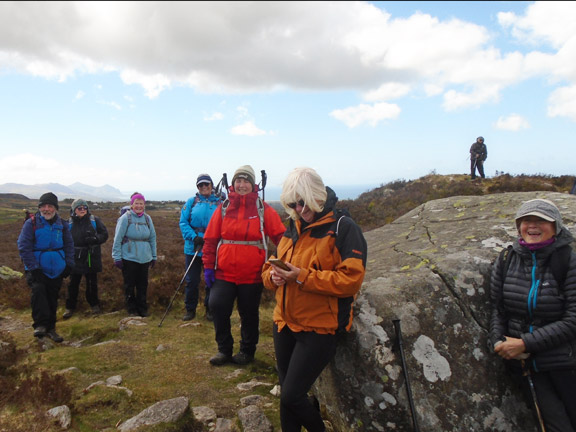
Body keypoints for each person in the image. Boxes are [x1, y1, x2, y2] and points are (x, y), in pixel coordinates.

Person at [261, 167, 367, 432]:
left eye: (303, 201)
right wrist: (271, 277)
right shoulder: (293, 227)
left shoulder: (344, 228)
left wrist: (302, 277)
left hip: (319, 327)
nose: (299, 208)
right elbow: (269, 268)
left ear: (317, 195)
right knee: (288, 395)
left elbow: (350, 280)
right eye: (293, 203)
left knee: (292, 396)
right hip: (284, 323)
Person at [490, 198, 576, 432]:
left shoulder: (568, 261)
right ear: (519, 226)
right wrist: (498, 341)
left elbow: (573, 320)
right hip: (528, 365)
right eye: (527, 220)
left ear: (555, 226)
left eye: (541, 220)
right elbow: (499, 308)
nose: (533, 226)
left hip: (565, 363)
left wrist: (525, 343)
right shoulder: (507, 259)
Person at [202, 165, 286, 366]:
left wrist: (280, 263)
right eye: (238, 181)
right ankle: (224, 350)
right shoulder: (223, 209)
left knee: (248, 313)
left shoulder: (263, 209)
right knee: (217, 306)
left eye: (245, 181)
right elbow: (211, 240)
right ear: (233, 184)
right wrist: (208, 267)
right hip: (224, 272)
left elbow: (282, 238)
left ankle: (247, 351)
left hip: (252, 274)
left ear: (253, 184)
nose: (241, 185)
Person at [17, 192, 74, 342]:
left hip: (57, 269)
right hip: (37, 268)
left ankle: (51, 328)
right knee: (38, 291)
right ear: (39, 208)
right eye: (43, 206)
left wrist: (69, 264)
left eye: (50, 206)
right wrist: (33, 267)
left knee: (52, 297)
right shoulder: (32, 223)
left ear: (55, 208)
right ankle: (40, 325)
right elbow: (23, 246)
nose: (46, 209)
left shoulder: (62, 224)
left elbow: (69, 245)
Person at [179, 174, 223, 321]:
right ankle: (190, 310)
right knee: (192, 280)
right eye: (201, 185)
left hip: (213, 248)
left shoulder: (220, 203)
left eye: (207, 184)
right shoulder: (191, 202)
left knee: (211, 281)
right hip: (193, 248)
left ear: (212, 186)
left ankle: (210, 309)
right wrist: (194, 237)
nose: (204, 187)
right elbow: (183, 223)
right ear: (197, 187)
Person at [112, 192, 157, 317]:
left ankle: (142, 309)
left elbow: (152, 238)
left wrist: (154, 256)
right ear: (132, 205)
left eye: (141, 203)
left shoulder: (148, 219)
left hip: (145, 258)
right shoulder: (125, 218)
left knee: (143, 285)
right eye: (136, 203)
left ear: (144, 205)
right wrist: (117, 257)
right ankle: (131, 309)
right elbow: (118, 239)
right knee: (129, 285)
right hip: (129, 257)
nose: (138, 206)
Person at [63, 198, 109, 319]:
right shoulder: (69, 223)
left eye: (85, 208)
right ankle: (70, 307)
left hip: (91, 256)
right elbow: (64, 239)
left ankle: (94, 305)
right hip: (75, 256)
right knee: (73, 283)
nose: (82, 210)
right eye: (79, 208)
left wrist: (95, 239)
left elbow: (104, 234)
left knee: (91, 283)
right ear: (74, 210)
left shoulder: (94, 220)